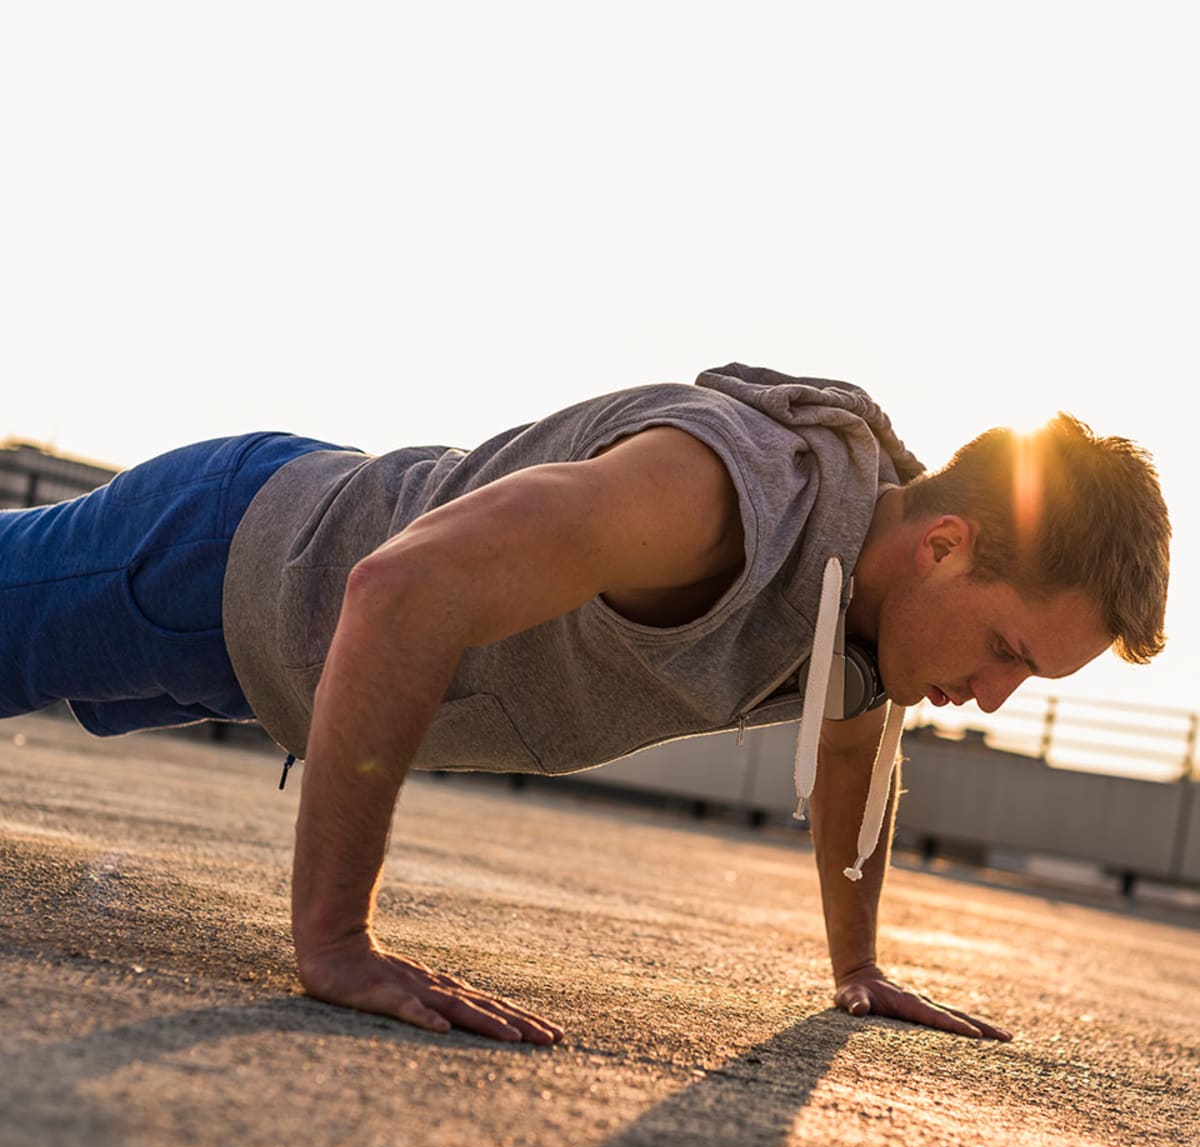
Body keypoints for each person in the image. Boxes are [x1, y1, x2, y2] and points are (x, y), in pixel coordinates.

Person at [0, 364, 1170, 1047]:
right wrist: (337, 943)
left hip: (261, 671)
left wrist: (855, 967)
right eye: (1009, 651)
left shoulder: (866, 622)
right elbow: (402, 589)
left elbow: (857, 744)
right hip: (239, 550)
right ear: (945, 546)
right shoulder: (719, 497)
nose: (995, 699)